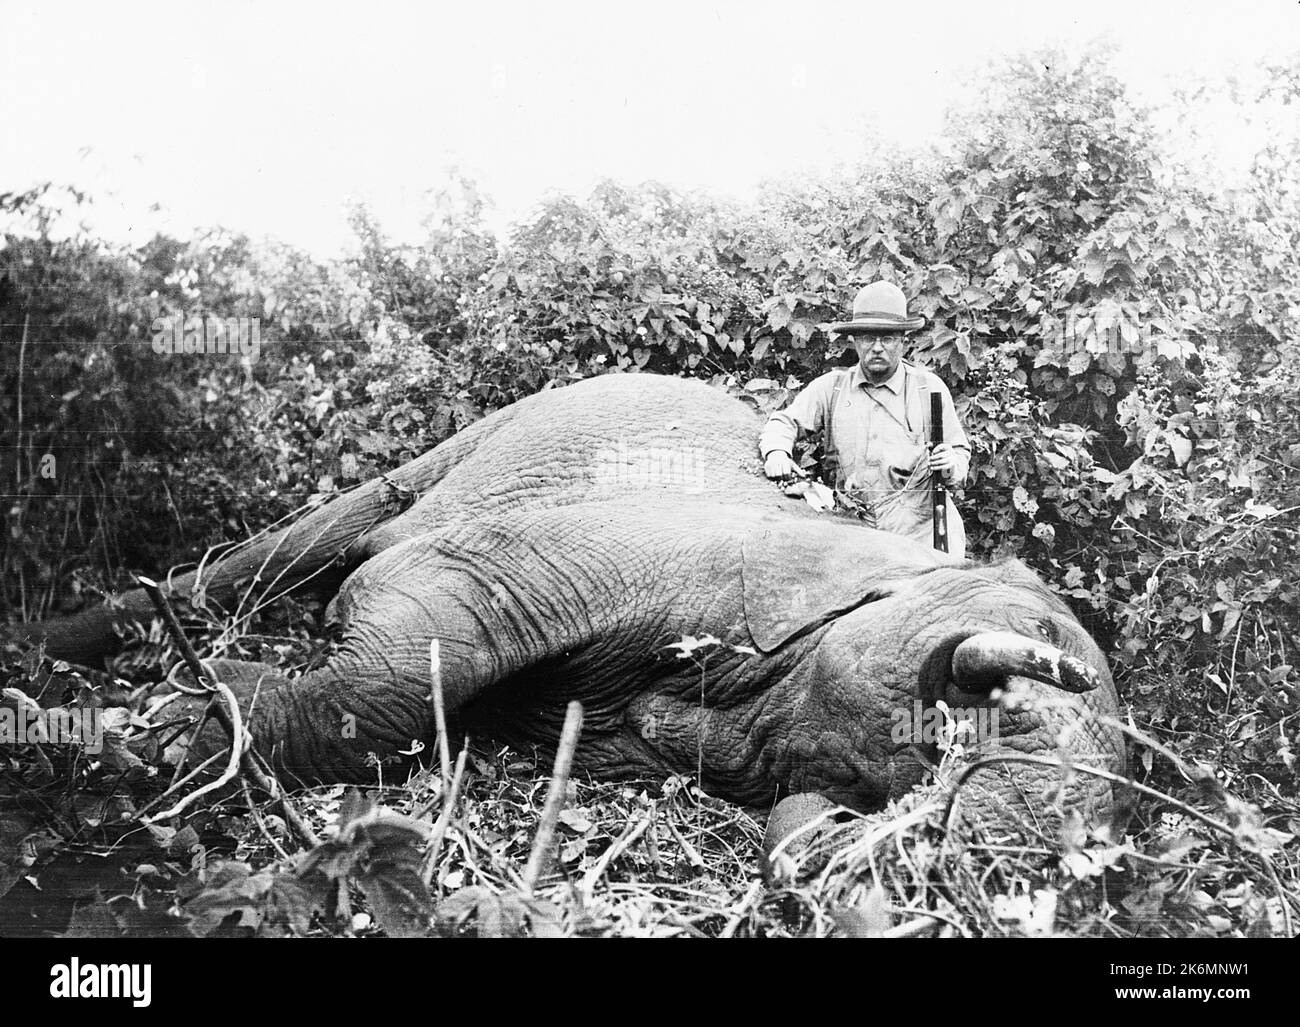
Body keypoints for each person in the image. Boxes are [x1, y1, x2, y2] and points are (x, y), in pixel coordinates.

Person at [758, 281, 971, 556]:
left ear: (903, 343)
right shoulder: (832, 388)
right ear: (855, 342)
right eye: (869, 338)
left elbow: (959, 454)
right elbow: (784, 422)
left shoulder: (927, 388)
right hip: (856, 541)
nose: (878, 348)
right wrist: (776, 452)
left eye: (888, 338)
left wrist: (951, 464)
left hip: (923, 537)